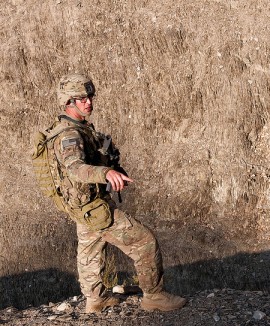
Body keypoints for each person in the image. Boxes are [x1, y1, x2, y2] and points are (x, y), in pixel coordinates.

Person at [45, 73, 186, 313]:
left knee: (90, 250)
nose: (88, 102)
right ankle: (154, 296)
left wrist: (111, 168)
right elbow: (75, 168)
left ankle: (96, 298)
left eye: (90, 96)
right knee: (144, 241)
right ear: (68, 102)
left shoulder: (75, 128)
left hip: (84, 206)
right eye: (81, 98)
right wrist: (105, 174)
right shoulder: (69, 135)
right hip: (95, 206)